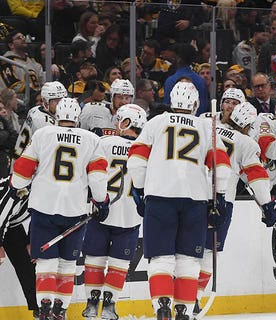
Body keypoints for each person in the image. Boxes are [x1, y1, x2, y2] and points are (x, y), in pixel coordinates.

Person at [127, 82, 229, 318]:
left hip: (160, 197)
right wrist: (220, 196)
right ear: (194, 104)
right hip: (195, 200)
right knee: (188, 259)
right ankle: (183, 309)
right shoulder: (206, 125)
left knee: (161, 258)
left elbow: (136, 161)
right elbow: (221, 166)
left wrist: (140, 191)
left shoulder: (156, 122)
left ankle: (162, 304)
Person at [10, 97, 109, 320]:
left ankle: (44, 308)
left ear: (57, 116)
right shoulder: (92, 139)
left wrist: (17, 186)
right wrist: (101, 201)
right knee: (67, 262)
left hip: (43, 209)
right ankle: (60, 310)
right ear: (77, 117)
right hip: (74, 211)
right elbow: (98, 177)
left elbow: (23, 169)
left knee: (46, 262)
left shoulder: (43, 134)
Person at [195, 101, 276, 315]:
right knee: (209, 252)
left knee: (186, 249)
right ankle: (194, 297)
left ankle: (179, 296)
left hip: (193, 195)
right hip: (223, 201)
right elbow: (257, 177)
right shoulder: (247, 143)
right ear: (249, 125)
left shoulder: (206, 124)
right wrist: (267, 204)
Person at [81, 104, 147, 320]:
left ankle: (92, 304)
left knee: (94, 260)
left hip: (101, 211)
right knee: (120, 264)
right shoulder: (146, 149)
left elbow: (91, 173)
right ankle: (109, 306)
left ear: (126, 122)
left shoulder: (104, 142)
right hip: (131, 216)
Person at [163, 43, 210, 116]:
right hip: (197, 123)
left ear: (179, 59)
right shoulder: (201, 81)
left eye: (175, 56)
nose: (173, 59)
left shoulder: (170, 81)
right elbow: (203, 107)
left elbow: (166, 107)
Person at [0, 31, 45, 103]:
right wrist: (34, 94)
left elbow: (42, 80)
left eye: (23, 37)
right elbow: (13, 84)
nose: (23, 39)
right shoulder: (6, 62)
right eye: (19, 38)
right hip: (20, 100)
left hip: (38, 99)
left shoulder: (33, 62)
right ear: (11, 45)